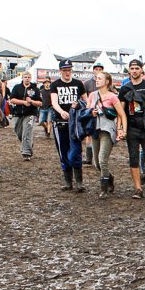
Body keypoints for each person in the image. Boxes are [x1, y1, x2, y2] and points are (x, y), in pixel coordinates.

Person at [119, 58, 145, 199]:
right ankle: (138, 188)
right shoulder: (125, 88)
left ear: (142, 70)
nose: (134, 71)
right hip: (132, 127)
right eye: (132, 68)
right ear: (129, 70)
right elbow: (121, 111)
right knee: (133, 158)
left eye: (137, 68)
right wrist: (121, 128)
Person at [49, 58, 87, 192]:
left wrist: (80, 107)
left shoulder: (78, 84)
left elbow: (85, 101)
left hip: (75, 124)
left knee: (76, 151)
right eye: (65, 70)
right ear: (60, 71)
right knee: (63, 151)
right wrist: (61, 111)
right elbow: (54, 102)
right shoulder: (55, 85)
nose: (67, 73)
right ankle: (68, 181)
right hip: (60, 122)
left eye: (69, 70)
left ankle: (79, 182)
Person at [88, 71, 126, 197]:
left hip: (108, 130)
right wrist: (90, 113)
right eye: (96, 78)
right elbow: (87, 111)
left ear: (107, 81)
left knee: (102, 159)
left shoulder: (113, 97)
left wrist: (122, 130)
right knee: (96, 163)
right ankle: (109, 178)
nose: (97, 80)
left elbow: (122, 114)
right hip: (95, 130)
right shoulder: (92, 95)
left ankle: (103, 189)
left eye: (99, 78)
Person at [8, 70, 39, 161]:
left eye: (29, 77)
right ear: (22, 78)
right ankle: (28, 143)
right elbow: (12, 99)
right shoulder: (17, 88)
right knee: (18, 132)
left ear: (31, 78)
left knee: (27, 131)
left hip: (30, 113)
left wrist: (32, 102)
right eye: (25, 77)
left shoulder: (35, 89)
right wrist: (24, 102)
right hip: (18, 113)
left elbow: (40, 103)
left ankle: (26, 152)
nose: (27, 79)